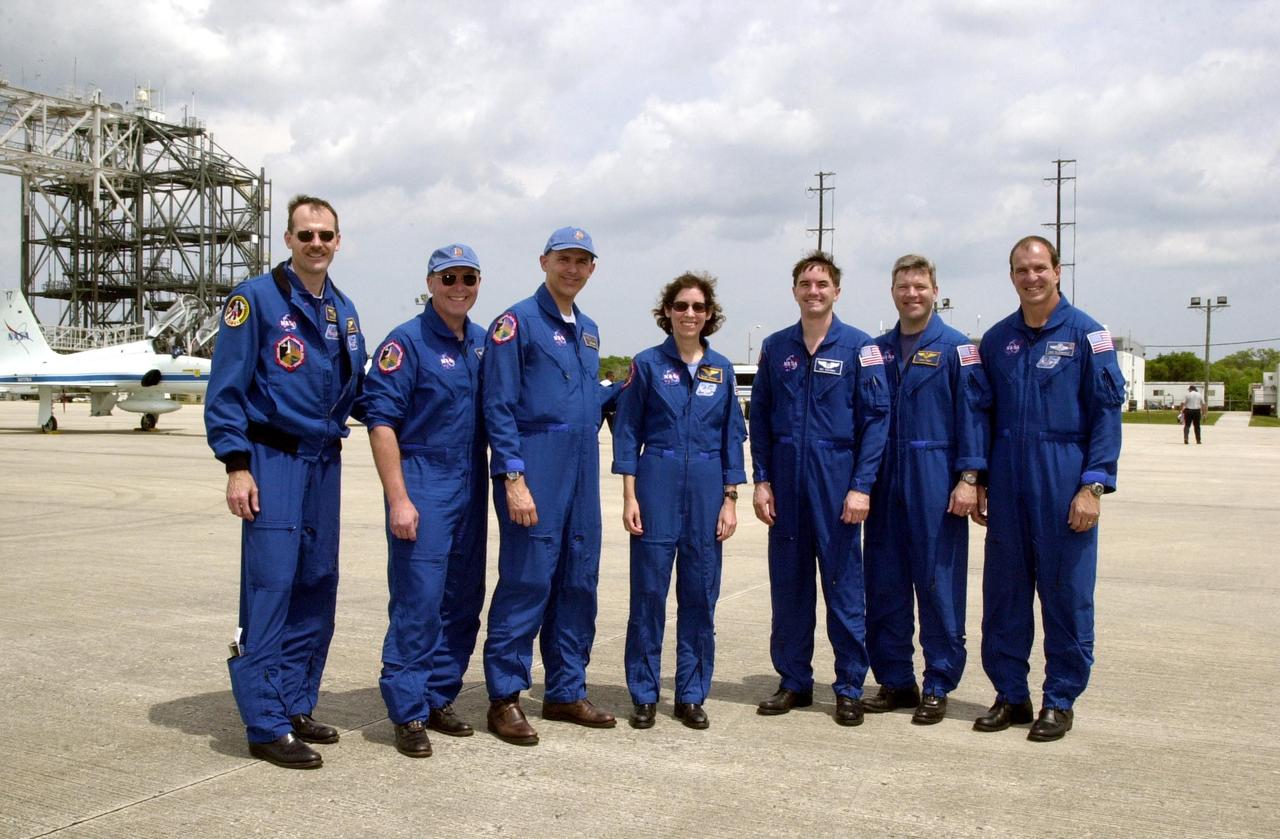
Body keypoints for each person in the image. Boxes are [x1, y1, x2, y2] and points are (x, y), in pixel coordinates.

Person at [205, 195, 367, 769]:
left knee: (317, 581)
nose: (316, 244)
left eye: (326, 235)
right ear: (288, 240)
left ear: (338, 241)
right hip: (272, 461)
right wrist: (236, 465)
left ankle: (296, 703)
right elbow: (225, 389)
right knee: (271, 586)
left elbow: (357, 391)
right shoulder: (255, 300)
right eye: (306, 235)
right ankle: (264, 723)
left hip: (324, 462)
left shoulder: (342, 311)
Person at [971, 235, 1124, 742]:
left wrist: (1093, 485)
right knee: (1004, 596)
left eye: (1039, 268)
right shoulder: (996, 341)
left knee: (1066, 594)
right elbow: (983, 416)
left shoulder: (1088, 336)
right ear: (1011, 276)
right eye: (1021, 269)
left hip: (1064, 480)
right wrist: (981, 478)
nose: (1031, 277)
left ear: (1057, 271)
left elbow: (1106, 414)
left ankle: (1059, 699)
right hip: (1009, 480)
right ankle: (1011, 694)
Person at [481, 226, 616, 745]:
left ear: (591, 270)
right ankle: (505, 696)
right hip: (535, 466)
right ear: (544, 261)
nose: (573, 269)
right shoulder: (515, 324)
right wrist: (513, 477)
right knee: (527, 580)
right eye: (564, 259)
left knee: (579, 579)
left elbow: (582, 400)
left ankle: (565, 690)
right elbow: (498, 405)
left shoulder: (588, 331)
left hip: (581, 469)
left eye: (583, 261)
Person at [750, 250, 890, 727]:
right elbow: (762, 420)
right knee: (788, 590)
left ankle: (849, 685)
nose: (814, 291)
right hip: (786, 485)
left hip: (837, 483)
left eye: (822, 283)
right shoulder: (775, 348)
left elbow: (876, 421)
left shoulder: (860, 347)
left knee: (844, 589)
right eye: (806, 284)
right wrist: (762, 480)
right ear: (794, 291)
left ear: (836, 291)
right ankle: (793, 681)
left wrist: (861, 486)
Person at [361, 244, 488, 758]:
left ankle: (440, 695)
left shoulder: (483, 343)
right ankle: (408, 710)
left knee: (462, 598)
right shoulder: (406, 342)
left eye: (469, 277)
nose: (460, 287)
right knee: (419, 599)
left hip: (470, 480)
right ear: (431, 282)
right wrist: (399, 498)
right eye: (449, 277)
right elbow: (381, 422)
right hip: (423, 478)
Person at [612, 272, 747, 731]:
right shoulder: (647, 365)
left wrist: (730, 499)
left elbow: (733, 437)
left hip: (709, 487)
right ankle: (644, 693)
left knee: (699, 596)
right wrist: (629, 495)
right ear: (667, 312)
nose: (689, 314)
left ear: (709, 315)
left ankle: (691, 693)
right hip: (657, 482)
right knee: (648, 595)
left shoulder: (722, 369)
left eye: (698, 307)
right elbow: (627, 431)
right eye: (681, 306)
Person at [863, 255, 990, 725]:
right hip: (884, 481)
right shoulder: (875, 351)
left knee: (938, 584)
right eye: (903, 286)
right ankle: (895, 680)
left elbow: (974, 415)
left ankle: (938, 681)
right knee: (885, 584)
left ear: (935, 290)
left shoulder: (959, 349)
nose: (911, 294)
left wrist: (970, 477)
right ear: (892, 291)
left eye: (919, 286)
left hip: (936, 477)